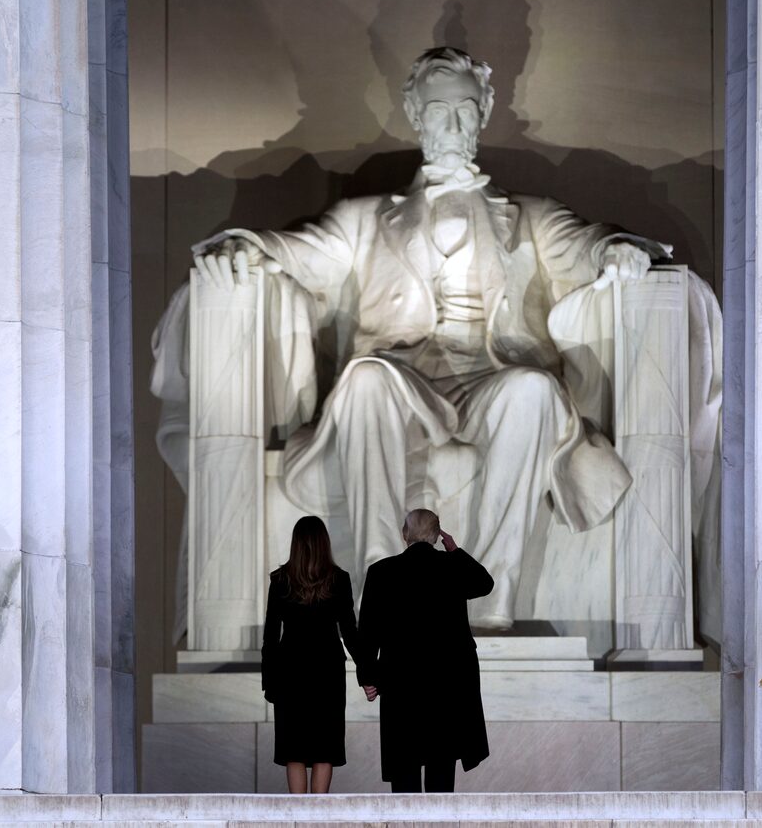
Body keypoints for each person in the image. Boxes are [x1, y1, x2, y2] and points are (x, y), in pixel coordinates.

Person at [159, 45, 720, 632]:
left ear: (485, 112)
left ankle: (488, 596)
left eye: (465, 110)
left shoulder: (530, 214)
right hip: (401, 384)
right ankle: (380, 585)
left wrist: (616, 250)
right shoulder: (363, 218)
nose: (451, 125)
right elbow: (297, 253)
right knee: (365, 378)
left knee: (533, 390)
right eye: (437, 110)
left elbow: (584, 245)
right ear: (414, 111)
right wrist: (246, 247)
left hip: (492, 380)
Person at [356, 508, 494, 792]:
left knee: (403, 774)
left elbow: (368, 631)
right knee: (441, 771)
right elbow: (484, 583)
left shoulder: (381, 572)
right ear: (436, 535)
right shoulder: (451, 566)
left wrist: (368, 677)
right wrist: (455, 550)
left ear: (404, 535)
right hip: (446, 687)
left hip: (399, 685)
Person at [261, 515, 363, 793]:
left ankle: (299, 818)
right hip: (326, 672)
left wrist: (268, 681)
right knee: (324, 748)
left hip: (290, 672)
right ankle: (318, 819)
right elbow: (350, 632)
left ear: (295, 544)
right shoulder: (338, 580)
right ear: (324, 543)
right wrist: (368, 672)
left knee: (293, 749)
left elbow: (270, 636)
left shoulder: (280, 580)